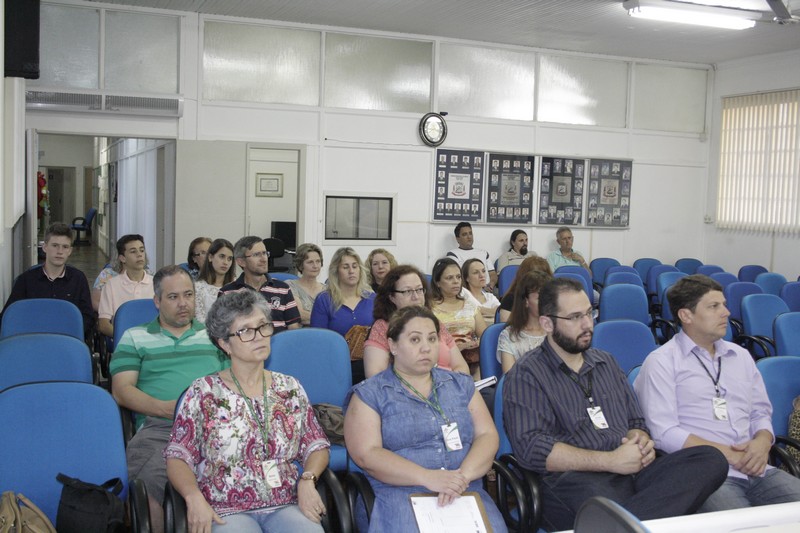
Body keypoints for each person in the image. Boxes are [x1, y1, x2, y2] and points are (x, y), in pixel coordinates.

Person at [503, 277, 728, 531]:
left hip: (633, 471)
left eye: (589, 313)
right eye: (575, 317)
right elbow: (532, 448)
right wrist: (610, 461)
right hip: (575, 480)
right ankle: (630, 520)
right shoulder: (527, 374)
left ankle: (618, 524)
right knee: (614, 501)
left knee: (710, 459)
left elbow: (636, 422)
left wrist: (639, 440)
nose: (588, 324)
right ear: (547, 323)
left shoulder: (605, 362)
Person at [165, 289, 330, 533]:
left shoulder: (289, 387)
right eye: (245, 331)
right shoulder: (204, 393)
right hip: (225, 508)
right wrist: (192, 497)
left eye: (263, 326)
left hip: (285, 502)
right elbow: (178, 456)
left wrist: (308, 480)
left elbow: (316, 445)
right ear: (224, 343)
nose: (259, 336)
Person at [634, 274, 800, 512]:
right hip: (703, 474)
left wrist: (762, 442)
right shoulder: (662, 362)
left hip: (757, 468)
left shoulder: (740, 356)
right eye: (714, 306)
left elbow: (760, 411)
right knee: (740, 526)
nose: (726, 312)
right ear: (686, 315)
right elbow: (664, 433)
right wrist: (729, 457)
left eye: (723, 304)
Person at [343, 306, 508, 533]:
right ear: (392, 346)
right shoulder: (370, 394)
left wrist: (461, 477)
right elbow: (367, 454)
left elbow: (487, 435)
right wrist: (428, 478)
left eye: (432, 339)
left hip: (463, 490)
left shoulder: (461, 384)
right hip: (400, 494)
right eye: (414, 339)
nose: (425, 347)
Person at [110, 265, 228, 533]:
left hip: (215, 427)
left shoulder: (214, 337)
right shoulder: (135, 337)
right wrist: (167, 409)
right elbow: (121, 390)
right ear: (157, 301)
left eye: (188, 295)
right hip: (161, 428)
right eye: (173, 297)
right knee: (149, 487)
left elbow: (234, 380)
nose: (183, 303)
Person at [363, 264, 469, 378]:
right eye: (407, 291)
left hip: (448, 388)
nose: (416, 297)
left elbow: (461, 366)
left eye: (419, 289)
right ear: (392, 297)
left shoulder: (434, 323)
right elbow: (375, 376)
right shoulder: (382, 328)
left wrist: (449, 386)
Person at [0, 222, 94, 338]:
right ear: (45, 247)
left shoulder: (78, 279)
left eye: (65, 247)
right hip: (32, 340)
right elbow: (10, 315)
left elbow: (87, 317)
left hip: (67, 339)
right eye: (55, 245)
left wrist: (71, 333)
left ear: (70, 251)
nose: (60, 251)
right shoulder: (26, 280)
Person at [220, 236, 301, 333]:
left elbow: (294, 329)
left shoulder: (283, 289)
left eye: (265, 253)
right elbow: (224, 332)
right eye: (256, 255)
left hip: (278, 346)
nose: (264, 259)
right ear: (241, 261)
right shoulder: (227, 293)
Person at [430, 258, 487, 378]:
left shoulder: (470, 305)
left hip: (473, 360)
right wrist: (456, 348)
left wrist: (474, 344)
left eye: (458, 277)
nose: (456, 282)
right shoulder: (430, 308)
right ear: (437, 282)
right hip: (443, 361)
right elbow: (430, 341)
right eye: (449, 278)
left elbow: (485, 335)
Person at [310, 247, 375, 337]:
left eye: (355, 266)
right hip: (334, 350)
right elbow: (318, 338)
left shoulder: (372, 298)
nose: (351, 271)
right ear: (336, 271)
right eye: (345, 267)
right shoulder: (324, 300)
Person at [98, 234, 154, 338]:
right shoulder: (111, 285)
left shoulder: (156, 284)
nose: (139, 255)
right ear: (122, 258)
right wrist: (126, 339)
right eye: (133, 251)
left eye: (142, 250)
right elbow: (104, 324)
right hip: (123, 341)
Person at [497, 270, 551, 373]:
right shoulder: (509, 336)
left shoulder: (558, 330)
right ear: (526, 301)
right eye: (541, 298)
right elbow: (511, 379)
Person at [498, 256, 552, 322]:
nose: (541, 279)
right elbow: (506, 326)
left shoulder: (552, 297)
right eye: (536, 276)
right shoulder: (511, 299)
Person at [446, 222, 497, 290]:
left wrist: (490, 286)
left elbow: (492, 274)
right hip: (467, 291)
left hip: (486, 290)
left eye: (470, 233)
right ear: (457, 238)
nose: (469, 237)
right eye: (465, 234)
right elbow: (457, 278)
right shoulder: (453, 255)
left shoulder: (483, 253)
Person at [194, 238, 235, 322]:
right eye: (222, 256)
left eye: (229, 259)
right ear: (210, 257)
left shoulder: (237, 285)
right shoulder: (198, 287)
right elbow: (200, 321)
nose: (226, 262)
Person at [285, 243, 325, 326]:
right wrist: (325, 319)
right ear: (300, 265)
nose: (315, 266)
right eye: (310, 262)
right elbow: (299, 314)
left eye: (318, 261)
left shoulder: (327, 289)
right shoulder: (290, 285)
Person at [462, 258, 500, 324]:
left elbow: (500, 313)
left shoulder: (490, 296)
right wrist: (491, 311)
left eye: (483, 271)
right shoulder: (463, 296)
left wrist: (479, 310)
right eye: (475, 272)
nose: (482, 275)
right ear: (467, 278)